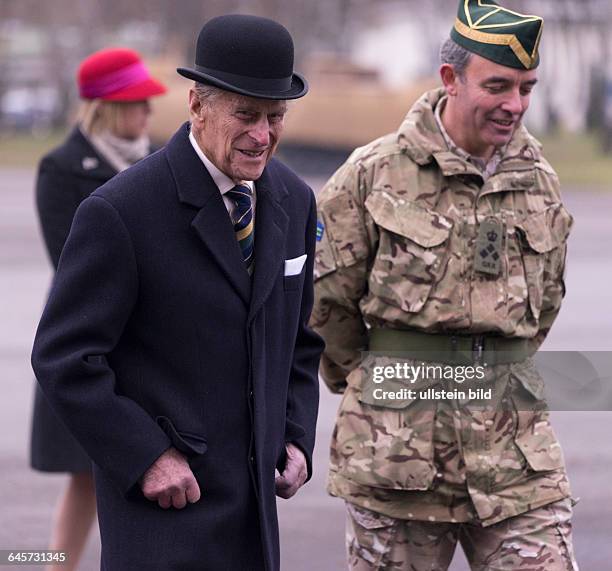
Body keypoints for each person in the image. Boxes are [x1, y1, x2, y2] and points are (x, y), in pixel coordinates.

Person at [31, 14, 322, 571]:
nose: (263, 135)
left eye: (275, 117)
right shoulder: (121, 212)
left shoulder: (293, 199)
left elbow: (299, 342)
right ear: (196, 104)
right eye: (245, 115)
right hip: (163, 518)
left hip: (256, 523)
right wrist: (144, 457)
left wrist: (295, 434)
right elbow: (64, 357)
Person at [312, 1, 578, 569]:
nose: (516, 105)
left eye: (527, 88)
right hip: (397, 454)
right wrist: (377, 379)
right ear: (450, 80)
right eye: (499, 85)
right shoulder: (372, 173)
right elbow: (326, 303)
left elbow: (544, 306)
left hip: (516, 458)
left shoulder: (540, 181)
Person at [30, 47, 166, 571]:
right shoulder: (62, 167)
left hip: (151, 347)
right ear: (107, 106)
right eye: (137, 102)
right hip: (90, 343)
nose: (148, 112)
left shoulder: (158, 159)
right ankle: (53, 566)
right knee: (84, 479)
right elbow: (70, 262)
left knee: (149, 479)